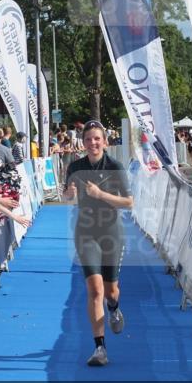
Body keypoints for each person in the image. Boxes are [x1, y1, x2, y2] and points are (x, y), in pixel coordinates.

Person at [63, 120, 133, 368]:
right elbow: (67, 193)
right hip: (85, 233)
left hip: (111, 232)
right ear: (83, 142)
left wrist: (101, 195)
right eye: (89, 139)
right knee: (95, 290)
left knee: (110, 290)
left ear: (105, 141)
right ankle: (100, 348)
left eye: (97, 139)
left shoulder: (115, 167)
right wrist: (69, 195)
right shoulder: (75, 166)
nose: (93, 143)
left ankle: (114, 307)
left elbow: (129, 202)